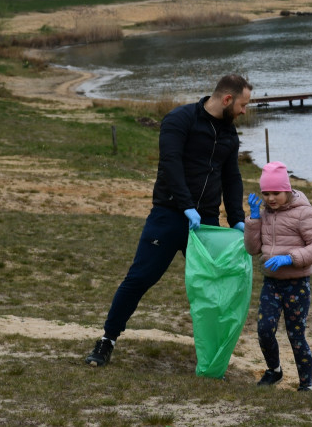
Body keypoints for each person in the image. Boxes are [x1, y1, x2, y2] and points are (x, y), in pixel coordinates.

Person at [85, 74, 253, 367]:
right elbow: (171, 164)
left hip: (206, 225)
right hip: (170, 216)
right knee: (139, 279)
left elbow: (231, 177)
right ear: (227, 99)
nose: (244, 111)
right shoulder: (180, 119)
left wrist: (237, 219)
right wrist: (187, 207)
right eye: (242, 105)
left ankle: (212, 356)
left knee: (214, 289)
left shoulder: (229, 134)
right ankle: (106, 341)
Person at [244, 162, 312, 391]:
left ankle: (305, 384)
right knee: (264, 329)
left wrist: (290, 258)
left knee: (295, 334)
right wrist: (253, 219)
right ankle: (274, 371)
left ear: (287, 190)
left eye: (276, 193)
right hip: (271, 283)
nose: (271, 198)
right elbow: (253, 249)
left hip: (297, 284)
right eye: (266, 193)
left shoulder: (303, 212)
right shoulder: (264, 214)